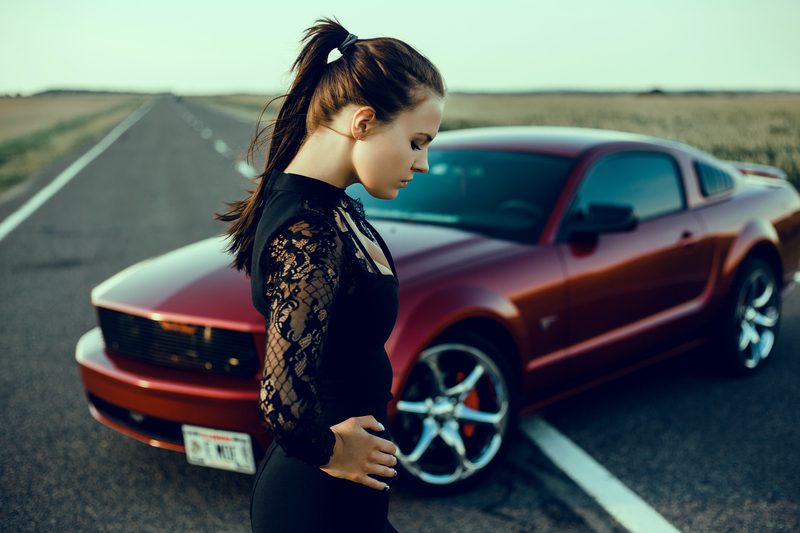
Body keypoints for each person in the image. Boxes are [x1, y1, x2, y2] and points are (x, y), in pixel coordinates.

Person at [214, 16, 445, 533]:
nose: (424, 162)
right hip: (316, 502)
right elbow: (281, 400)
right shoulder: (307, 230)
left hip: (341, 494)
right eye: (417, 141)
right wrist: (332, 452)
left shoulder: (328, 206)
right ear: (363, 123)